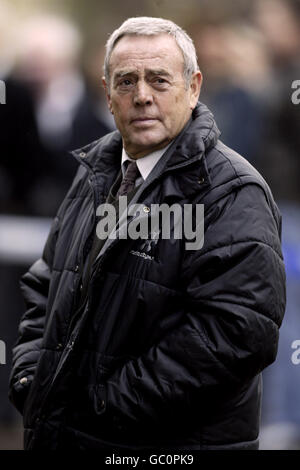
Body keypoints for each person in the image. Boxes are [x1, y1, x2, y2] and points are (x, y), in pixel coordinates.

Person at [8, 17, 286, 451]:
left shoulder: (232, 191)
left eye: (159, 80)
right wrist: (31, 377)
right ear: (107, 93)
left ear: (193, 88)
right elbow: (48, 283)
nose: (141, 96)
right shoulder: (95, 174)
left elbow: (235, 334)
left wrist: (105, 408)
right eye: (126, 81)